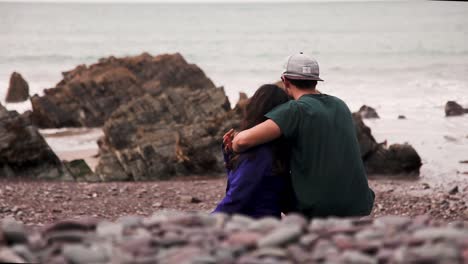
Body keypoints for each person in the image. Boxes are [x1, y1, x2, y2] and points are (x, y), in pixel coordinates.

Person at [231, 53, 374, 218]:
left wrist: (232, 143)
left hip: (321, 210)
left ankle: (263, 219)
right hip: (360, 204)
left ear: (285, 81)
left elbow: (242, 142)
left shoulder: (295, 110)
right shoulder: (340, 105)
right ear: (315, 80)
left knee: (274, 177)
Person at [212, 84, 296, 218]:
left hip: (253, 224)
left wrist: (207, 221)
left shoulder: (261, 153)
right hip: (264, 220)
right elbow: (237, 183)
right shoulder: (277, 148)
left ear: (255, 108)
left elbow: (236, 197)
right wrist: (231, 156)